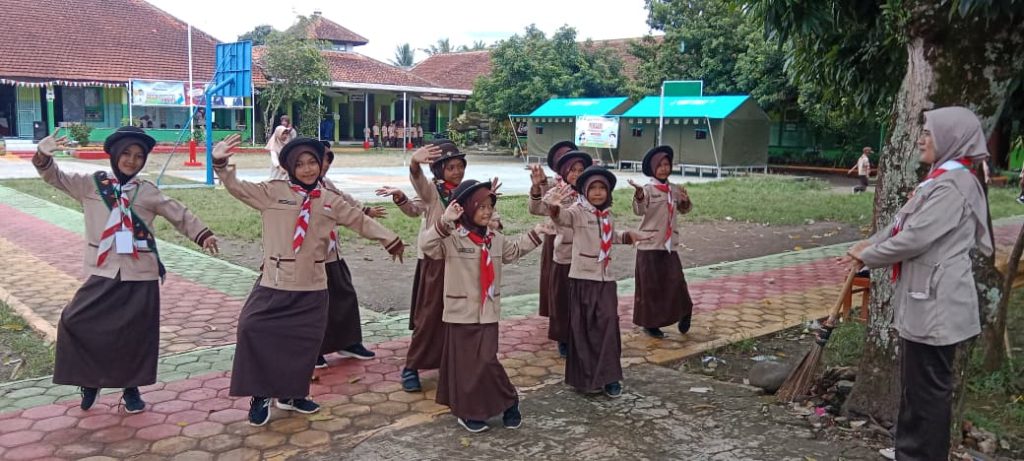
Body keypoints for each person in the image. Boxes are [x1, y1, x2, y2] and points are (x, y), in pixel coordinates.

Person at [212, 134, 405, 426]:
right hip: (275, 282)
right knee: (253, 329)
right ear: (290, 167)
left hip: (312, 285)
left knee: (302, 345)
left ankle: (292, 394)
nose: (307, 169)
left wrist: (389, 238)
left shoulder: (329, 199)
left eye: (312, 162)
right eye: (299, 164)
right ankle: (261, 394)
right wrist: (220, 163)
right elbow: (236, 187)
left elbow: (358, 220)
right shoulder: (272, 192)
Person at [842, 107, 992, 461]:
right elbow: (901, 225)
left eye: (929, 133)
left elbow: (914, 239)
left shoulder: (954, 186)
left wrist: (869, 256)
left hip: (938, 305)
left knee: (927, 392)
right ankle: (910, 452)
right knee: (917, 389)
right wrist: (867, 246)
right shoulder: (939, 180)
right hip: (926, 298)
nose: (921, 140)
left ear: (952, 138)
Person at [33, 126, 219, 413]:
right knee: (74, 321)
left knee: (134, 335)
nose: (132, 161)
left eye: (138, 156)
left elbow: (177, 212)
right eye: (126, 154)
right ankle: (90, 380)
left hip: (140, 273)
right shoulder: (91, 184)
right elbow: (55, 177)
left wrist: (202, 234)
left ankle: (131, 389)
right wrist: (43, 156)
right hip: (103, 271)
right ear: (115, 154)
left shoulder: (147, 191)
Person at [420, 180, 548, 433]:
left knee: (487, 361)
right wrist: (445, 221)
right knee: (465, 366)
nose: (487, 211)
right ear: (467, 208)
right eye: (481, 206)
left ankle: (509, 400)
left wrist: (536, 234)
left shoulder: (494, 238)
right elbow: (426, 246)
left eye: (490, 206)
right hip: (460, 312)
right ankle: (467, 412)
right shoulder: (452, 237)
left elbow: (513, 252)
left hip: (488, 311)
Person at [545, 166, 648, 397]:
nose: (598, 192)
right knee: (583, 330)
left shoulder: (607, 214)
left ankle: (610, 376)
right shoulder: (578, 211)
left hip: (606, 279)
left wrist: (628, 236)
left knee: (608, 324)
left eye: (603, 188)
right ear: (585, 191)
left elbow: (609, 237)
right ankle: (586, 379)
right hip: (582, 279)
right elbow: (562, 218)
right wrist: (554, 207)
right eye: (593, 188)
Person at [401, 141, 469, 392]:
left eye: (460, 166)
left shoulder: (466, 192)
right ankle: (411, 366)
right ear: (439, 171)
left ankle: (451, 360)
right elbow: (418, 182)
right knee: (429, 316)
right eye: (450, 167)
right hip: (437, 261)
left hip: (462, 262)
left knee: (458, 313)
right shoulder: (432, 191)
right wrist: (414, 164)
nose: (457, 171)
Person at [315, 141, 390, 368]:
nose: (325, 164)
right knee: (315, 303)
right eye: (320, 159)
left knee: (344, 293)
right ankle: (313, 349)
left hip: (332, 253)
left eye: (328, 159)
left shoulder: (326, 184)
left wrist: (365, 210)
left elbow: (343, 200)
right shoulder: (294, 189)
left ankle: (348, 342)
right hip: (310, 258)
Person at [528, 144, 591, 357]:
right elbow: (536, 208)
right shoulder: (556, 190)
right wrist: (536, 188)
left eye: (581, 170)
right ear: (563, 170)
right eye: (572, 170)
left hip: (585, 252)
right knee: (561, 293)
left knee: (583, 295)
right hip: (562, 250)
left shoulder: (590, 191)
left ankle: (582, 332)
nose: (576, 174)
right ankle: (563, 336)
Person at [627, 146, 694, 338]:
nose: (664, 169)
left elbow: (684, 210)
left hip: (669, 246)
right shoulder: (647, 189)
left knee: (677, 281)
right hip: (649, 246)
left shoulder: (674, 189)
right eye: (659, 165)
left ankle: (685, 310)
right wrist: (639, 195)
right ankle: (650, 323)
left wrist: (685, 201)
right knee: (650, 287)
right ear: (652, 168)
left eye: (666, 164)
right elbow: (639, 210)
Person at [266, 115, 296, 180]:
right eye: (283, 134)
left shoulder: (287, 145)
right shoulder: (274, 145)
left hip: (287, 172)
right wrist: (280, 167)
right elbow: (274, 159)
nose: (285, 136)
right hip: (277, 172)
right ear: (278, 134)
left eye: (286, 134)